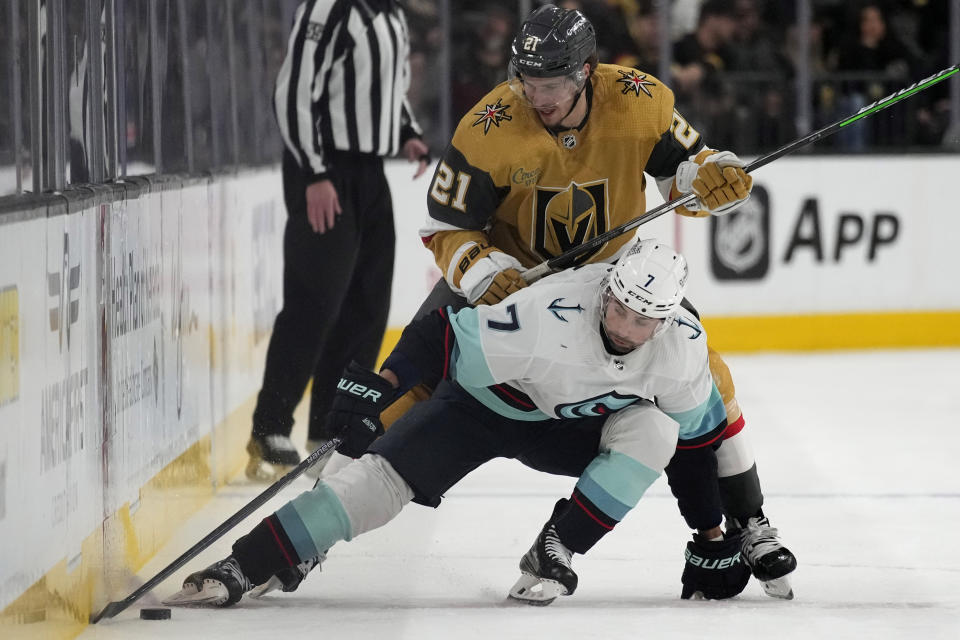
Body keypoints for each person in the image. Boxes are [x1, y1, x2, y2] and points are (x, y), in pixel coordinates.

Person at [355, 3, 793, 598]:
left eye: (553, 84)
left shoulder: (640, 100)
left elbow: (686, 172)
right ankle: (315, 507)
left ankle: (747, 523)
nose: (538, 96)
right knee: (394, 390)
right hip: (514, 286)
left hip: (608, 288)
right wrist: (483, 271)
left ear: (586, 71)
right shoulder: (488, 126)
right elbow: (443, 225)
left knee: (707, 377)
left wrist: (714, 179)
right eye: (528, 82)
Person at [166, 239, 752, 607]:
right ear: (606, 292)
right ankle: (250, 561)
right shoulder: (547, 319)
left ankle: (557, 547)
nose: (624, 327)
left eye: (642, 320)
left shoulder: (682, 351)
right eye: (618, 308)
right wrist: (384, 387)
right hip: (483, 407)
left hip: (564, 430)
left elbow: (697, 445)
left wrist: (711, 536)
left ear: (669, 321)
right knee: (373, 487)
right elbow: (440, 332)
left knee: (657, 431)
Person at [245, 0, 431, 481]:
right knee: (315, 299)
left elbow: (387, 86)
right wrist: (314, 172)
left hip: (368, 171)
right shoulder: (331, 7)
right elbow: (293, 91)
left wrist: (406, 129)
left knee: (366, 306)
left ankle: (328, 432)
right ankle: (270, 427)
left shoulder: (388, 11)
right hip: (325, 168)